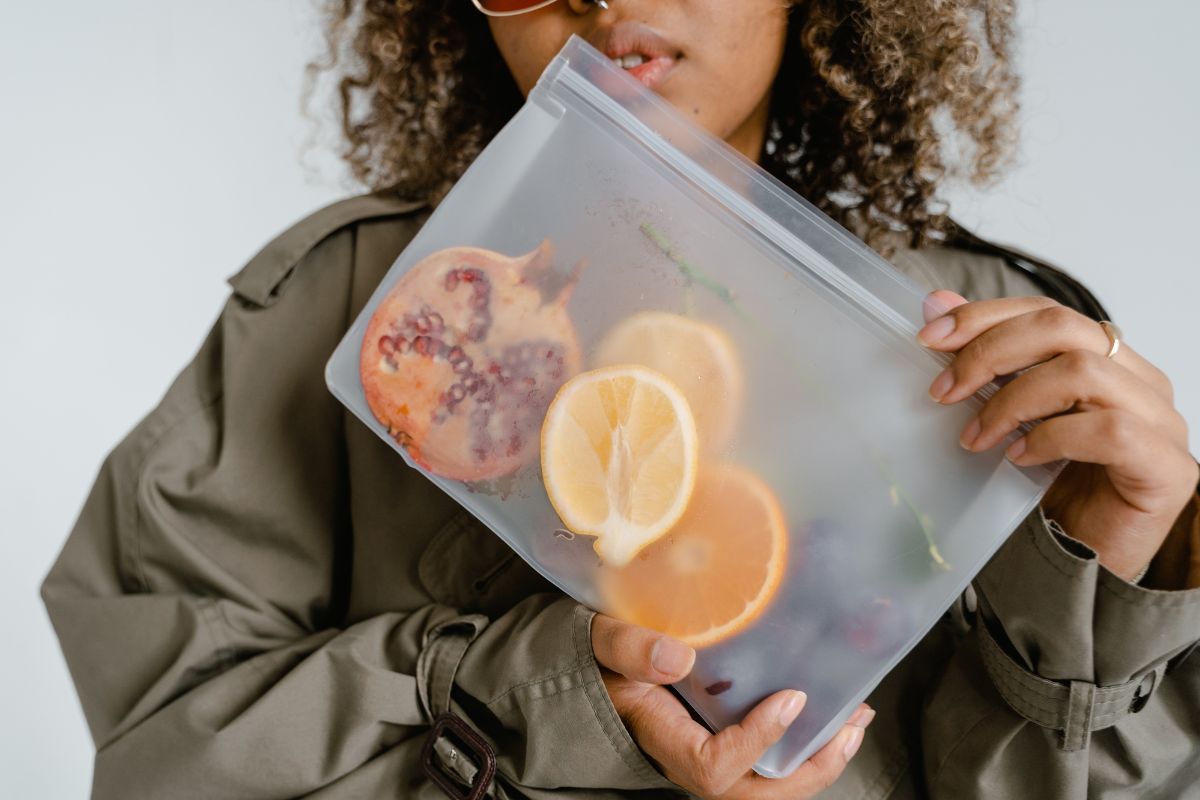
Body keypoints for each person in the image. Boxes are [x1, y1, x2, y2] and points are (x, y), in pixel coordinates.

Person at [43, 1, 1200, 797]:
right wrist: (547, 691)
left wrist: (1118, 565)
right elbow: (163, 756)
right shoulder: (354, 311)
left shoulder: (1014, 370)